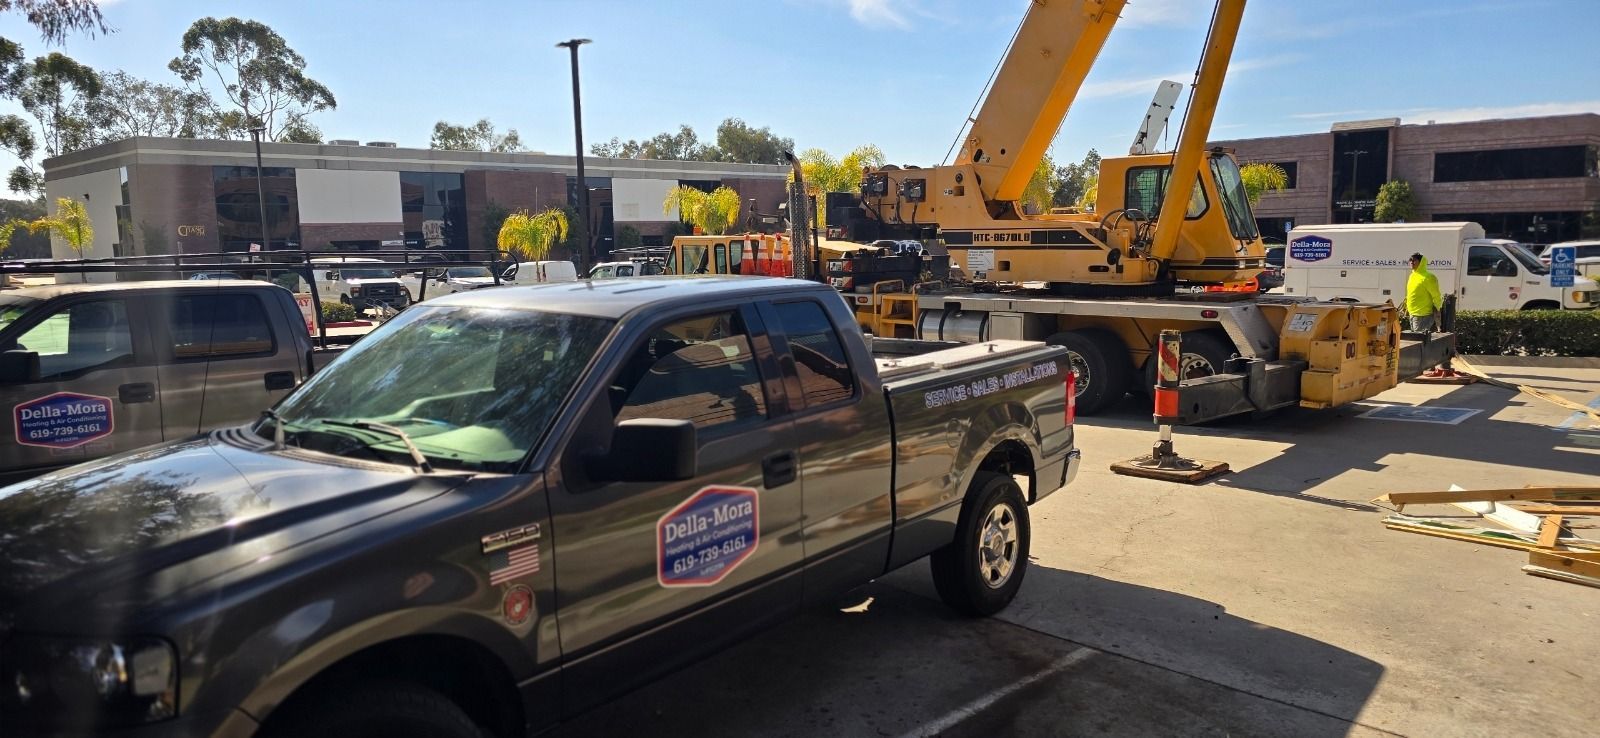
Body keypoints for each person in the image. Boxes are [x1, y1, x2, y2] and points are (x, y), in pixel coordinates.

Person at [1406, 252, 1443, 332]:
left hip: (1423, 315)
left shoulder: (1428, 277)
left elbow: (1436, 295)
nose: (1411, 262)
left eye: (1414, 260)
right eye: (1410, 260)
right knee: (1417, 340)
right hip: (1413, 313)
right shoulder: (1412, 276)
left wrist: (1438, 308)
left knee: (1420, 340)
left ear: (1421, 262)